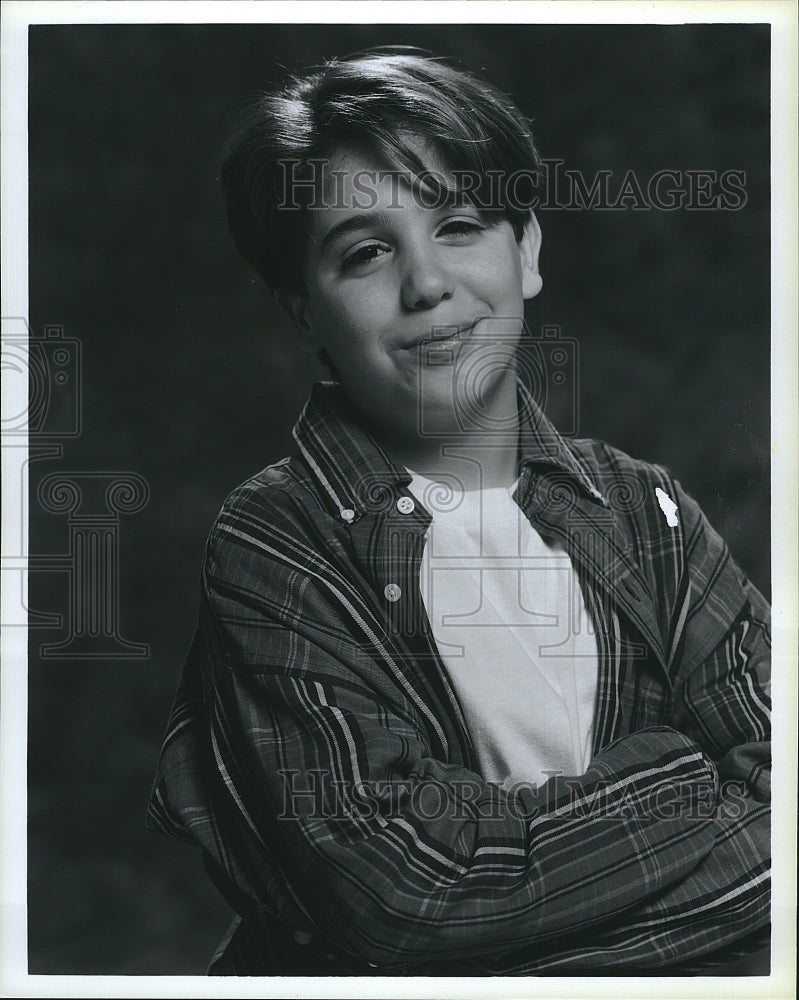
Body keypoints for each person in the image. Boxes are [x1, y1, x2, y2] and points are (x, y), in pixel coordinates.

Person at [147, 48, 771, 976]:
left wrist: (519, 926)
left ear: (525, 253)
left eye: (460, 225)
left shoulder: (645, 510)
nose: (426, 283)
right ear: (302, 312)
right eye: (364, 252)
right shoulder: (277, 540)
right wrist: (691, 780)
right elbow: (406, 900)